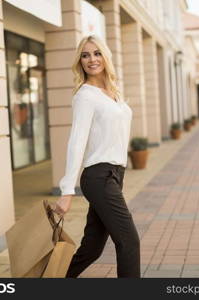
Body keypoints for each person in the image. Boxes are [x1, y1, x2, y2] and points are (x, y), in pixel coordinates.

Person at [54, 35, 140, 278]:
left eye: (96, 53)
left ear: (105, 56)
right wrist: (67, 190)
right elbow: (77, 141)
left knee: (91, 249)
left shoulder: (113, 92)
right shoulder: (85, 95)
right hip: (99, 177)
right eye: (85, 55)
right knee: (129, 242)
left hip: (114, 175)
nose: (91, 59)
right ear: (80, 61)